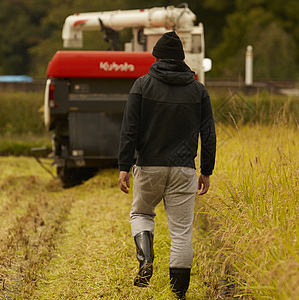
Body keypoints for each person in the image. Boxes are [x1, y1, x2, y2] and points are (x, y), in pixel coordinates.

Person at [118, 31, 216, 299]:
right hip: (185, 169)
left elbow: (129, 130)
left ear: (157, 56)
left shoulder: (142, 85)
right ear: (182, 59)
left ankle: (146, 258)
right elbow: (208, 134)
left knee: (141, 213)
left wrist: (124, 166)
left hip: (149, 166)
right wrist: (207, 170)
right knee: (182, 232)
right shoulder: (198, 90)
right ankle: (179, 294)